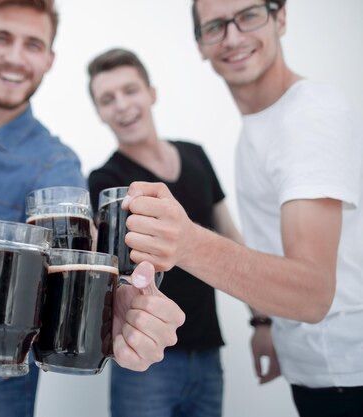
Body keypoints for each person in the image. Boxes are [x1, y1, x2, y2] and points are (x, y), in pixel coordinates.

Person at [0, 1, 185, 416]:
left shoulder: (56, 163)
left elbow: (73, 272)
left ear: (49, 59)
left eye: (33, 44)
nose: (16, 58)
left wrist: (120, 301)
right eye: (3, 38)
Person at [121, 0, 363, 415]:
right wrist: (264, 322)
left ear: (280, 16)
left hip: (347, 372)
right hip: (316, 369)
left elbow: (313, 294)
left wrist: (187, 243)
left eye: (248, 15)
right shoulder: (258, 128)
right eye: (215, 26)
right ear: (200, 44)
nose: (233, 37)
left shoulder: (309, 115)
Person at [87, 48, 243, 417]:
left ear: (151, 93)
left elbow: (232, 242)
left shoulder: (197, 156)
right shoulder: (105, 181)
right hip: (146, 360)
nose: (122, 105)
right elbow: (106, 275)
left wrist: (263, 320)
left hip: (207, 352)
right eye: (107, 99)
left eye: (130, 90)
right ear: (99, 112)